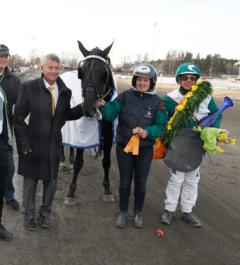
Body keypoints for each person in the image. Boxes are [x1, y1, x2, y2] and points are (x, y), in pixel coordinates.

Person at [14, 54, 83, 231]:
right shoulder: (29, 88)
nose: (53, 71)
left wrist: (84, 108)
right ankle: (29, 216)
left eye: (56, 68)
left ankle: (45, 214)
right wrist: (23, 144)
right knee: (30, 183)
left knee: (51, 182)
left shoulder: (65, 91)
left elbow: (65, 115)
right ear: (42, 68)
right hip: (32, 143)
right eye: (49, 67)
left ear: (60, 69)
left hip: (53, 144)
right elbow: (19, 119)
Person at [99, 64, 168, 228]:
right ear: (134, 80)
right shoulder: (124, 97)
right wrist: (103, 106)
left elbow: (162, 125)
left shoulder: (158, 102)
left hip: (144, 149)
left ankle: (138, 213)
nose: (142, 83)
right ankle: (123, 212)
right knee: (124, 181)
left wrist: (148, 132)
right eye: (139, 80)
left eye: (146, 80)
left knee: (141, 182)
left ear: (152, 82)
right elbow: (109, 115)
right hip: (124, 147)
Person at [161, 62, 222, 227]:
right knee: (176, 178)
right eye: (185, 77)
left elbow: (217, 117)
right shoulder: (169, 99)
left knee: (192, 180)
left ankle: (187, 211)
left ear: (196, 80)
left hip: (197, 145)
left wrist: (212, 131)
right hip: (178, 145)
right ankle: (169, 210)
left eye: (192, 78)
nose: (189, 80)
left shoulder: (207, 99)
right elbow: (161, 119)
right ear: (179, 79)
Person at [0, 44, 21, 211]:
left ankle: (9, 195)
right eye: (1, 55)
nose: (3, 58)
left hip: (5, 131)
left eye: (6, 55)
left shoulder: (13, 80)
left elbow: (21, 104)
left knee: (9, 166)